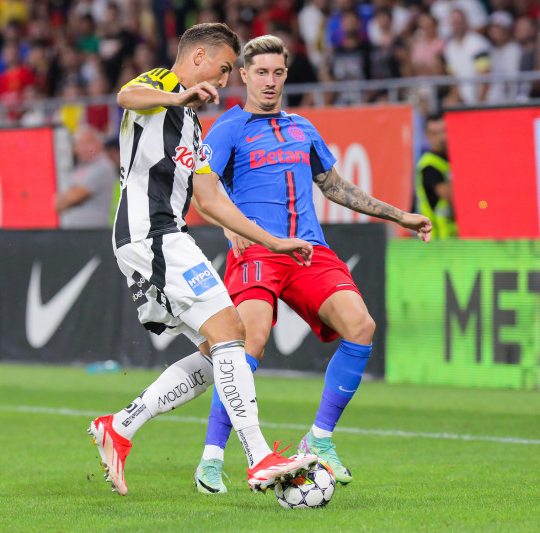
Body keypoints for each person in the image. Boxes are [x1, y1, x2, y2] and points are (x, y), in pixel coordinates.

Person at [191, 35, 432, 494]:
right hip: (259, 250)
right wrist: (229, 228)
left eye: (278, 73)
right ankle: (212, 459)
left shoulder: (302, 127)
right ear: (243, 75)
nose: (270, 81)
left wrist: (401, 215)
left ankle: (319, 439)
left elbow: (336, 186)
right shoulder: (228, 128)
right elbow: (202, 190)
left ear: (286, 75)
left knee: (361, 326)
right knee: (248, 343)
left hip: (307, 250)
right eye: (260, 72)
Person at [88, 23, 319, 497]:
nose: (225, 77)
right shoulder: (163, 85)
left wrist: (269, 241)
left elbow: (209, 198)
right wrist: (178, 95)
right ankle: (259, 457)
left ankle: (121, 426)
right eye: (225, 67)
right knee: (232, 331)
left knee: (219, 347)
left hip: (166, 234)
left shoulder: (192, 123)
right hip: (150, 232)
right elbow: (125, 97)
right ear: (198, 58)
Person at [56, 126, 117, 228]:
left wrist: (65, 198)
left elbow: (72, 198)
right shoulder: (80, 166)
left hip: (93, 233)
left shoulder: (103, 166)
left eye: (88, 142)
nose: (83, 147)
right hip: (74, 232)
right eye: (79, 143)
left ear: (99, 144)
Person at [415, 113, 456, 239]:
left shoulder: (454, 159)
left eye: (443, 131)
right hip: (440, 239)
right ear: (428, 136)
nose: (441, 137)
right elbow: (451, 197)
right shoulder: (429, 165)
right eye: (435, 133)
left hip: (459, 236)